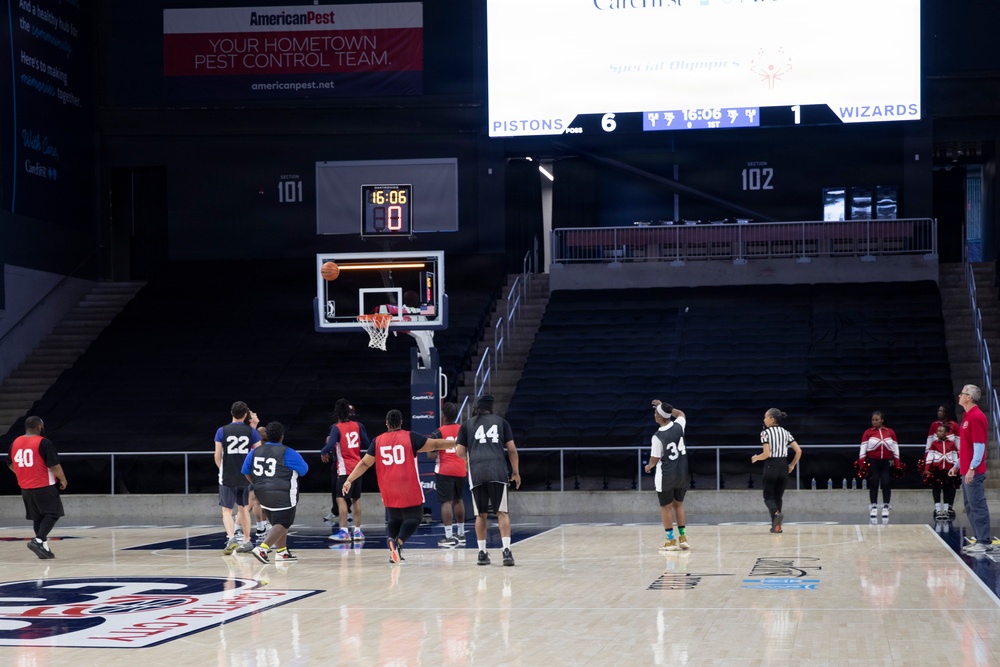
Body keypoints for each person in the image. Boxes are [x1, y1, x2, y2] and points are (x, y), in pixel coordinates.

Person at [341, 409, 452, 564]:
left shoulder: (378, 441)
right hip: (407, 483)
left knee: (395, 518)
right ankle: (397, 543)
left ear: (386, 423)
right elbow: (435, 444)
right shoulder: (410, 437)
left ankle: (393, 550)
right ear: (401, 422)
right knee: (415, 517)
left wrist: (349, 480)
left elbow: (365, 463)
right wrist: (457, 442)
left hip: (387, 485)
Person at [455, 395, 521, 567]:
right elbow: (512, 450)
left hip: (477, 472)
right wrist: (516, 472)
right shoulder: (501, 422)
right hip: (497, 470)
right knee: (502, 512)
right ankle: (506, 551)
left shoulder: (467, 425)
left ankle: (482, 553)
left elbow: (459, 450)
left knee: (481, 514)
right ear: (491, 407)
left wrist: (467, 461)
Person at [242, 421, 309, 564]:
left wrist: (257, 483)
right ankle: (262, 548)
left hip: (261, 493)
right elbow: (304, 470)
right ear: (282, 436)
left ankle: (282, 552)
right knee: (284, 522)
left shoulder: (255, 451)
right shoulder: (288, 452)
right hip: (282, 493)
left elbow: (246, 471)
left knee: (277, 523)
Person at [6, 416, 68, 559]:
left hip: (25, 488)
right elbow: (54, 465)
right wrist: (63, 479)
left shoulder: (16, 442)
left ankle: (44, 548)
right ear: (39, 427)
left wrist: (23, 473)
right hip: (43, 486)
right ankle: (38, 540)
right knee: (54, 513)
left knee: (38, 517)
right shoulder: (43, 442)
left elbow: (9, 463)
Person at [950, 385, 993, 554]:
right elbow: (967, 448)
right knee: (970, 506)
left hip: (973, 471)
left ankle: (984, 541)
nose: (959, 395)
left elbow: (979, 446)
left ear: (969, 397)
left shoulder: (976, 417)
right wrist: (958, 465)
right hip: (966, 469)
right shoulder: (967, 416)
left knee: (978, 505)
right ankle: (979, 539)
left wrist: (972, 468)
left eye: (962, 393)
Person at [320, 399, 371, 542]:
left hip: (344, 469)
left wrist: (323, 452)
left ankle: (344, 532)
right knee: (356, 499)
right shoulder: (358, 425)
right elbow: (368, 443)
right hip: (358, 468)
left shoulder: (336, 427)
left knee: (340, 498)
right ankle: (358, 532)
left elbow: (330, 445)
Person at [214, 401, 261, 554]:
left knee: (227, 510)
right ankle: (247, 540)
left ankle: (231, 537)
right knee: (243, 508)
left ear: (231, 413)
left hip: (227, 474)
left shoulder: (222, 431)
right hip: (244, 475)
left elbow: (217, 455)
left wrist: (222, 469)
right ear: (245, 414)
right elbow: (259, 453)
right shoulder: (252, 432)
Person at [644, 400, 689, 551]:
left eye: (656, 412)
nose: (654, 414)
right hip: (681, 473)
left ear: (660, 417)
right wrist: (665, 406)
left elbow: (655, 458)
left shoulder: (657, 436)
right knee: (679, 504)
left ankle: (670, 541)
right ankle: (683, 539)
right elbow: (681, 414)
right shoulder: (679, 426)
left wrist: (649, 466)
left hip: (666, 475)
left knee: (666, 507)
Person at [751, 408, 802, 534]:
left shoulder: (765, 433)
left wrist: (756, 458)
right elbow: (799, 451)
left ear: (772, 419)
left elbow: (767, 454)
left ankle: (775, 513)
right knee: (778, 497)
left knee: (768, 496)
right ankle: (777, 526)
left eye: (765, 417)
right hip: (783, 465)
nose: (764, 420)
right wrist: (792, 465)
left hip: (771, 466)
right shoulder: (785, 432)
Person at [427, 402, 467, 548]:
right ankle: (461, 534)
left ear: (443, 415)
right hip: (461, 469)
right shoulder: (463, 430)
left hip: (445, 470)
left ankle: (449, 536)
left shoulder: (438, 432)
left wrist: (435, 449)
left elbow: (431, 456)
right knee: (459, 500)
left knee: (446, 502)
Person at [858, 411, 900, 519]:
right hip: (873, 461)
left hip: (886, 461)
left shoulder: (890, 432)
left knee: (886, 482)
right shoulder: (868, 432)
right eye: (872, 420)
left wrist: (897, 462)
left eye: (876, 420)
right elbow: (863, 448)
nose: (874, 422)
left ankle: (886, 506)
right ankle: (874, 507)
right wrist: (861, 462)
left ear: (882, 420)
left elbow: (895, 448)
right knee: (874, 483)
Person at [926, 404, 960, 520]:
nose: (939, 413)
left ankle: (948, 508)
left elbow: (958, 444)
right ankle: (937, 508)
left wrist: (958, 462)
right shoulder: (934, 425)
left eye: (941, 411)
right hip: (937, 465)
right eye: (938, 410)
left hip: (950, 464)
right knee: (936, 486)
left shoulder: (954, 425)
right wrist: (927, 463)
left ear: (947, 412)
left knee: (950, 486)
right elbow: (929, 441)